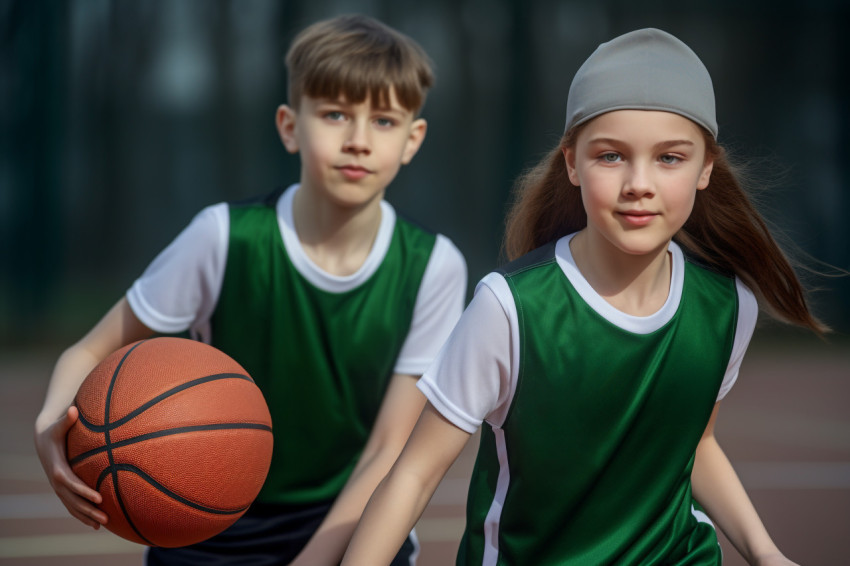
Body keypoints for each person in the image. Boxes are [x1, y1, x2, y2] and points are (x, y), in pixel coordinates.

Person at [342, 28, 826, 566]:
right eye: (611, 156)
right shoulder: (510, 309)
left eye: (670, 158)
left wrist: (764, 552)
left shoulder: (728, 307)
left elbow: (694, 444)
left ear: (705, 168)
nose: (639, 183)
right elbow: (414, 474)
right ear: (572, 162)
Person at [34, 13, 467, 566]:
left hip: (350, 517)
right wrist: (52, 423)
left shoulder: (433, 266)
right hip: (205, 511)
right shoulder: (223, 237)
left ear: (413, 139)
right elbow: (91, 350)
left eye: (383, 121)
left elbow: (389, 449)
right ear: (290, 126)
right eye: (335, 114)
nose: (358, 140)